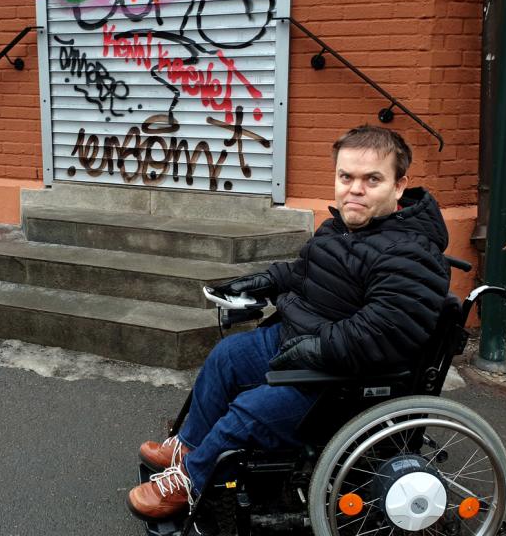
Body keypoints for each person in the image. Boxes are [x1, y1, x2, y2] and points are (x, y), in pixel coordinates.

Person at [127, 125, 451, 520]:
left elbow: (382, 331)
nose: (355, 189)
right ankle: (190, 445)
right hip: (299, 342)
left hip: (342, 378)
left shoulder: (411, 254)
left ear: (399, 186)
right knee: (227, 355)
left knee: (250, 409)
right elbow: (304, 273)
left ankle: (192, 480)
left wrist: (317, 348)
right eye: (346, 177)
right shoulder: (338, 229)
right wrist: (262, 282)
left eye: (372, 180)